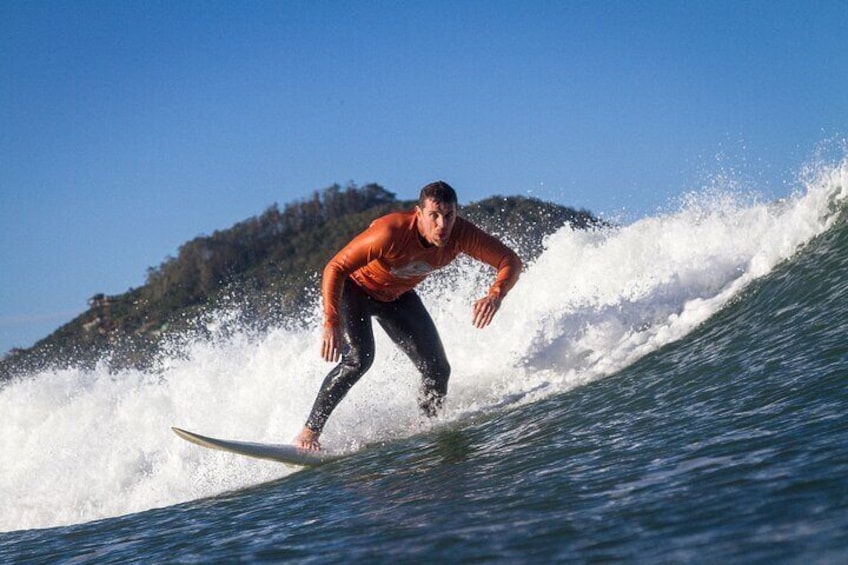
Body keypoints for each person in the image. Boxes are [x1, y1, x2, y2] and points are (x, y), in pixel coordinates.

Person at [294, 181, 522, 450]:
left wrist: (495, 294)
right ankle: (309, 433)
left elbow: (510, 260)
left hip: (396, 297)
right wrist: (331, 320)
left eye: (449, 216)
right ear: (419, 214)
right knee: (359, 359)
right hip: (355, 290)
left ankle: (427, 426)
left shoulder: (461, 234)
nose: (442, 225)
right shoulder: (391, 232)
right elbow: (335, 267)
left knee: (437, 369)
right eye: (434, 216)